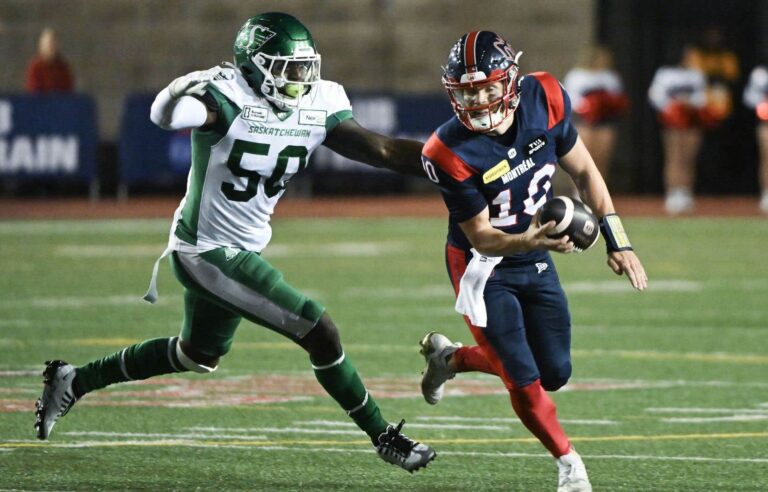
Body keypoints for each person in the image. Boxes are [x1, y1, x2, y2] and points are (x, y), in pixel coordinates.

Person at [34, 12, 436, 473]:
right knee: (319, 330)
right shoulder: (226, 97)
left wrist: (448, 165)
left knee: (196, 355)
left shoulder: (319, 102)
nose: (299, 78)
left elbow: (382, 150)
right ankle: (383, 435)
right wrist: (182, 85)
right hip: (205, 251)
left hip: (241, 251)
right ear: (253, 66)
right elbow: (162, 116)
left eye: (304, 66)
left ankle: (75, 380)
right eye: (286, 67)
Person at [417, 31, 647, 492]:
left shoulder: (546, 97)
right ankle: (569, 464)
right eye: (468, 92)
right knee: (523, 378)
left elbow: (583, 170)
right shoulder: (447, 151)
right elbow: (481, 234)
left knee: (555, 372)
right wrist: (531, 239)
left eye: (488, 88)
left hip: (532, 252)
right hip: (482, 265)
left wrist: (616, 239)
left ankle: (451, 359)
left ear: (511, 82)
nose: (480, 101)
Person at [648, 46, 719, 214]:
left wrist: (691, 104)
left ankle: (686, 192)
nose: (693, 58)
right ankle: (672, 193)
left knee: (688, 158)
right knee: (674, 156)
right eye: (690, 56)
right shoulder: (665, 73)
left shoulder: (697, 74)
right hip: (673, 121)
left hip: (692, 121)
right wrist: (673, 108)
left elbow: (703, 96)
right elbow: (655, 95)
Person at [562, 44, 629, 195]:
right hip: (584, 120)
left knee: (601, 158)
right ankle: (578, 192)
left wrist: (605, 105)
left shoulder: (610, 77)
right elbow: (569, 97)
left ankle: (597, 192)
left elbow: (617, 99)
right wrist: (587, 106)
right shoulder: (577, 75)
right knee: (582, 158)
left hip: (605, 121)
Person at [743, 64, 768, 213]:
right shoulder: (760, 73)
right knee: (767, 158)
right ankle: (766, 193)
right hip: (766, 123)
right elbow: (749, 97)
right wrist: (763, 101)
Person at [25, 27, 74, 94]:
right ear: (41, 46)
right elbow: (33, 92)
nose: (51, 46)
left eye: (53, 43)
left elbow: (68, 90)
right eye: (48, 44)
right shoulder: (35, 67)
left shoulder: (63, 67)